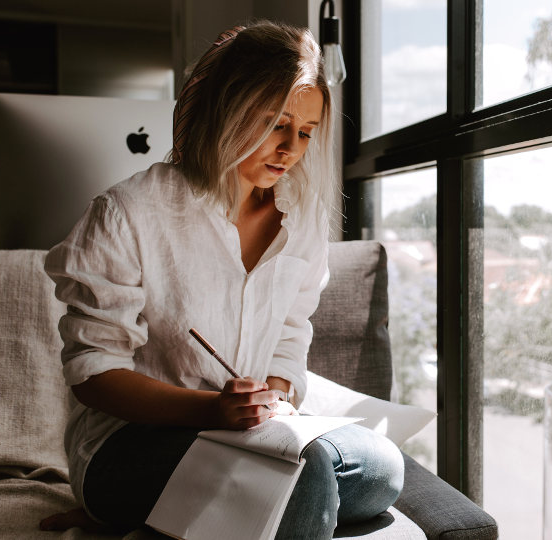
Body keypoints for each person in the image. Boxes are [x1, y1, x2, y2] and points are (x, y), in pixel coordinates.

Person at [39, 20, 404, 539]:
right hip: (131, 443)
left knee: (383, 469)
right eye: (275, 124)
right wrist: (213, 409)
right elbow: (95, 374)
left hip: (251, 432)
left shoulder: (300, 217)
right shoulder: (128, 213)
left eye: (305, 132)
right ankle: (140, 506)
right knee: (309, 477)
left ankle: (178, 519)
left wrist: (274, 394)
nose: (290, 149)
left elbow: (289, 334)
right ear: (227, 109)